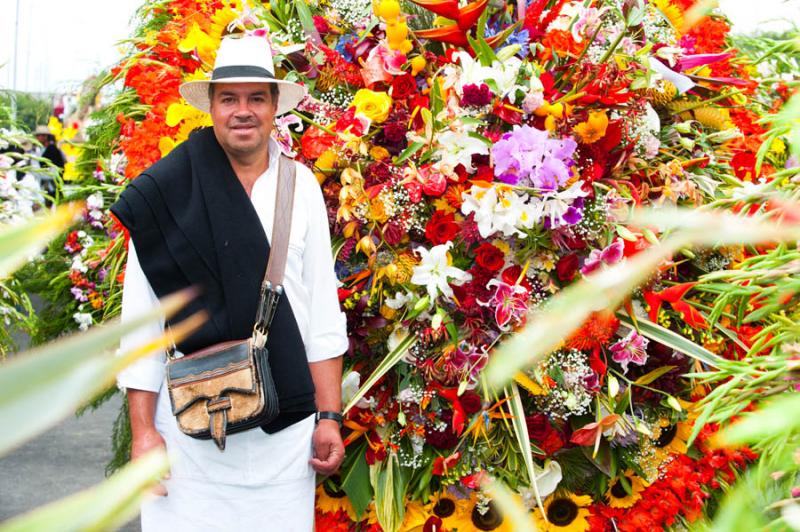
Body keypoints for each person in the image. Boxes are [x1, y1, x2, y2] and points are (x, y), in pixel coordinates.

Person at [109, 35, 348, 531]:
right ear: (212, 107)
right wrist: (142, 436)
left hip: (284, 437)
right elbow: (142, 326)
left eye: (256, 97)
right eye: (230, 98)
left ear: (275, 106)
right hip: (187, 438)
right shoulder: (165, 193)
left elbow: (322, 314)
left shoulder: (300, 186)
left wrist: (329, 418)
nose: (243, 111)